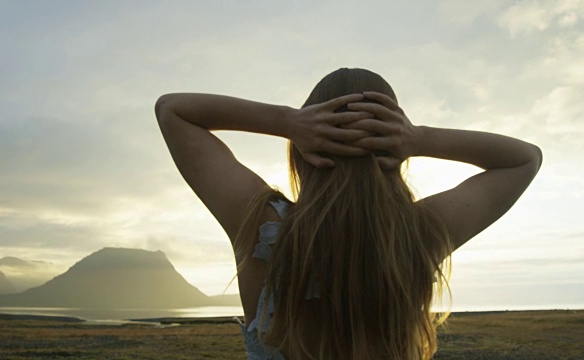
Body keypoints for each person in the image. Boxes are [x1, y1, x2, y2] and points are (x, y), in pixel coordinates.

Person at [154, 68, 542, 360]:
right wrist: (419, 137)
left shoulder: (260, 224)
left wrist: (288, 121)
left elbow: (173, 110)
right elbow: (523, 159)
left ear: (301, 149)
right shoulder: (418, 235)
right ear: (392, 151)